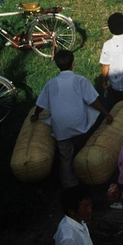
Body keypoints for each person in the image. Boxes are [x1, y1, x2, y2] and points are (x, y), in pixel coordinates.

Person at [34, 50, 111, 188]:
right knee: (83, 150)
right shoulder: (80, 80)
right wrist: (106, 113)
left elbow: (41, 105)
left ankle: (70, 185)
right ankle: (87, 178)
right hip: (79, 126)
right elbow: (93, 101)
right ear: (73, 63)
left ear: (57, 65)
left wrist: (35, 115)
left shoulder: (51, 84)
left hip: (60, 128)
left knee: (65, 157)